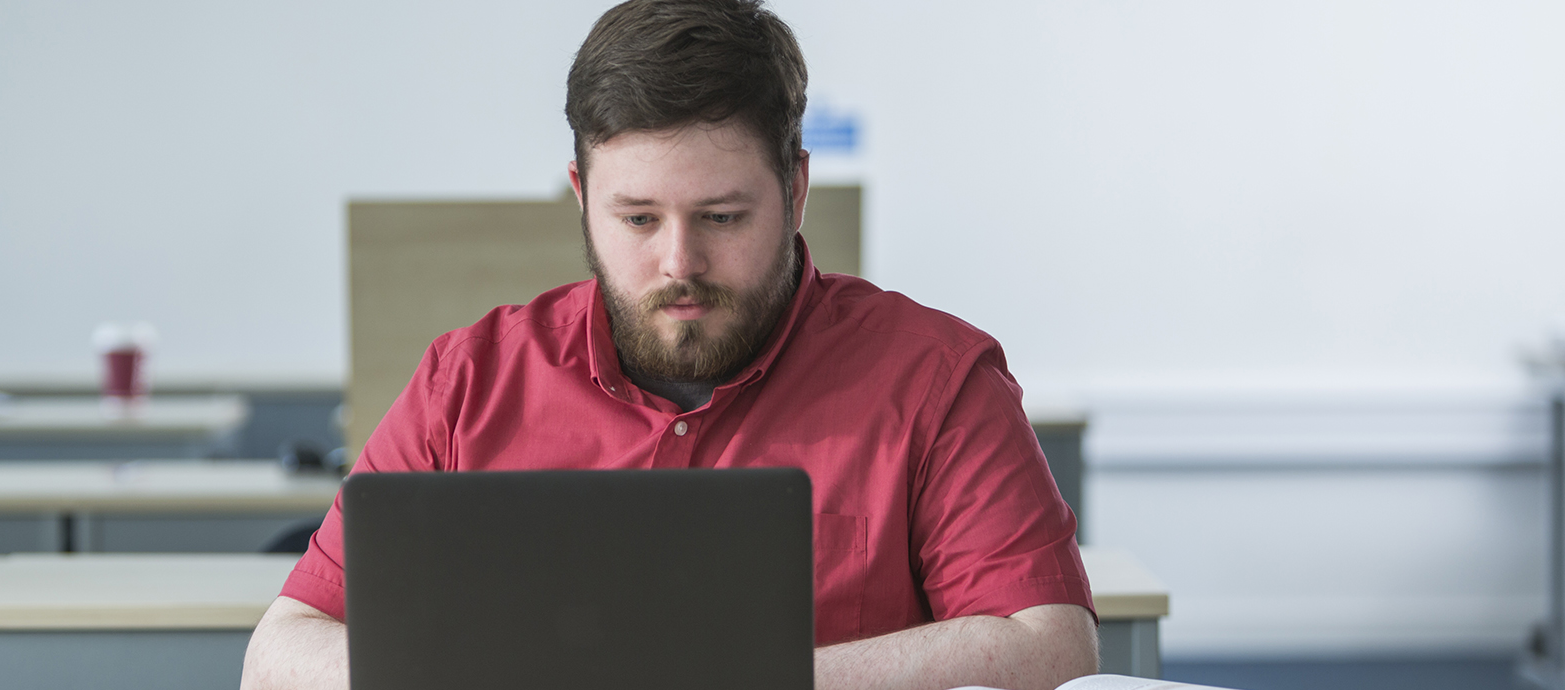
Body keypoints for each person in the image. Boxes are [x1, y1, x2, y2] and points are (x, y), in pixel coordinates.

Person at [241, 1, 1098, 688]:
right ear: (581, 197)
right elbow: (281, 656)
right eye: (638, 219)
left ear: (796, 189)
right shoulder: (468, 382)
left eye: (722, 218)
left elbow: (1051, 648)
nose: (679, 262)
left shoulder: (935, 379)